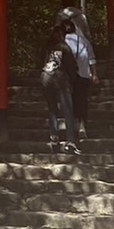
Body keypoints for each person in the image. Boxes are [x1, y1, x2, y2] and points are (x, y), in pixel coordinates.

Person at [41, 20, 80, 153]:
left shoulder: (46, 46)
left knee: (52, 109)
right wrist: (73, 81)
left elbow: (38, 60)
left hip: (46, 76)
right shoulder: (64, 47)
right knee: (68, 110)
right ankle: (70, 141)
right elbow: (71, 66)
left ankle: (54, 137)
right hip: (61, 78)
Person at [64, 19, 97, 139]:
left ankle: (72, 127)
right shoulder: (84, 41)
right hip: (83, 74)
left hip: (67, 77)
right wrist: (94, 74)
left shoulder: (62, 41)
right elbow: (91, 58)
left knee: (69, 102)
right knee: (82, 100)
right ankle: (82, 126)